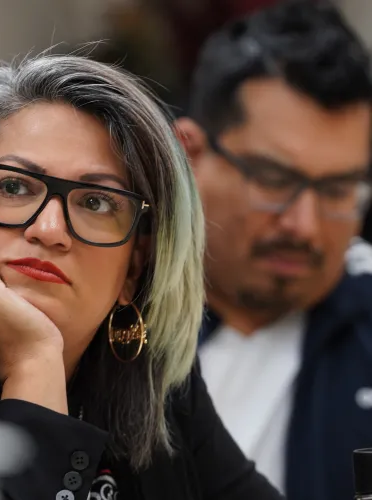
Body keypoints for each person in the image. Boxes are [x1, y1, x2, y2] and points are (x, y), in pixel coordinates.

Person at [0, 54, 282, 500]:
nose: (49, 230)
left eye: (96, 202)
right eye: (13, 186)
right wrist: (34, 367)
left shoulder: (155, 383)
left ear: (135, 264)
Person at [174, 1, 372, 500]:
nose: (303, 226)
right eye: (273, 178)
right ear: (190, 154)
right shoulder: (106, 320)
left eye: (337, 190)